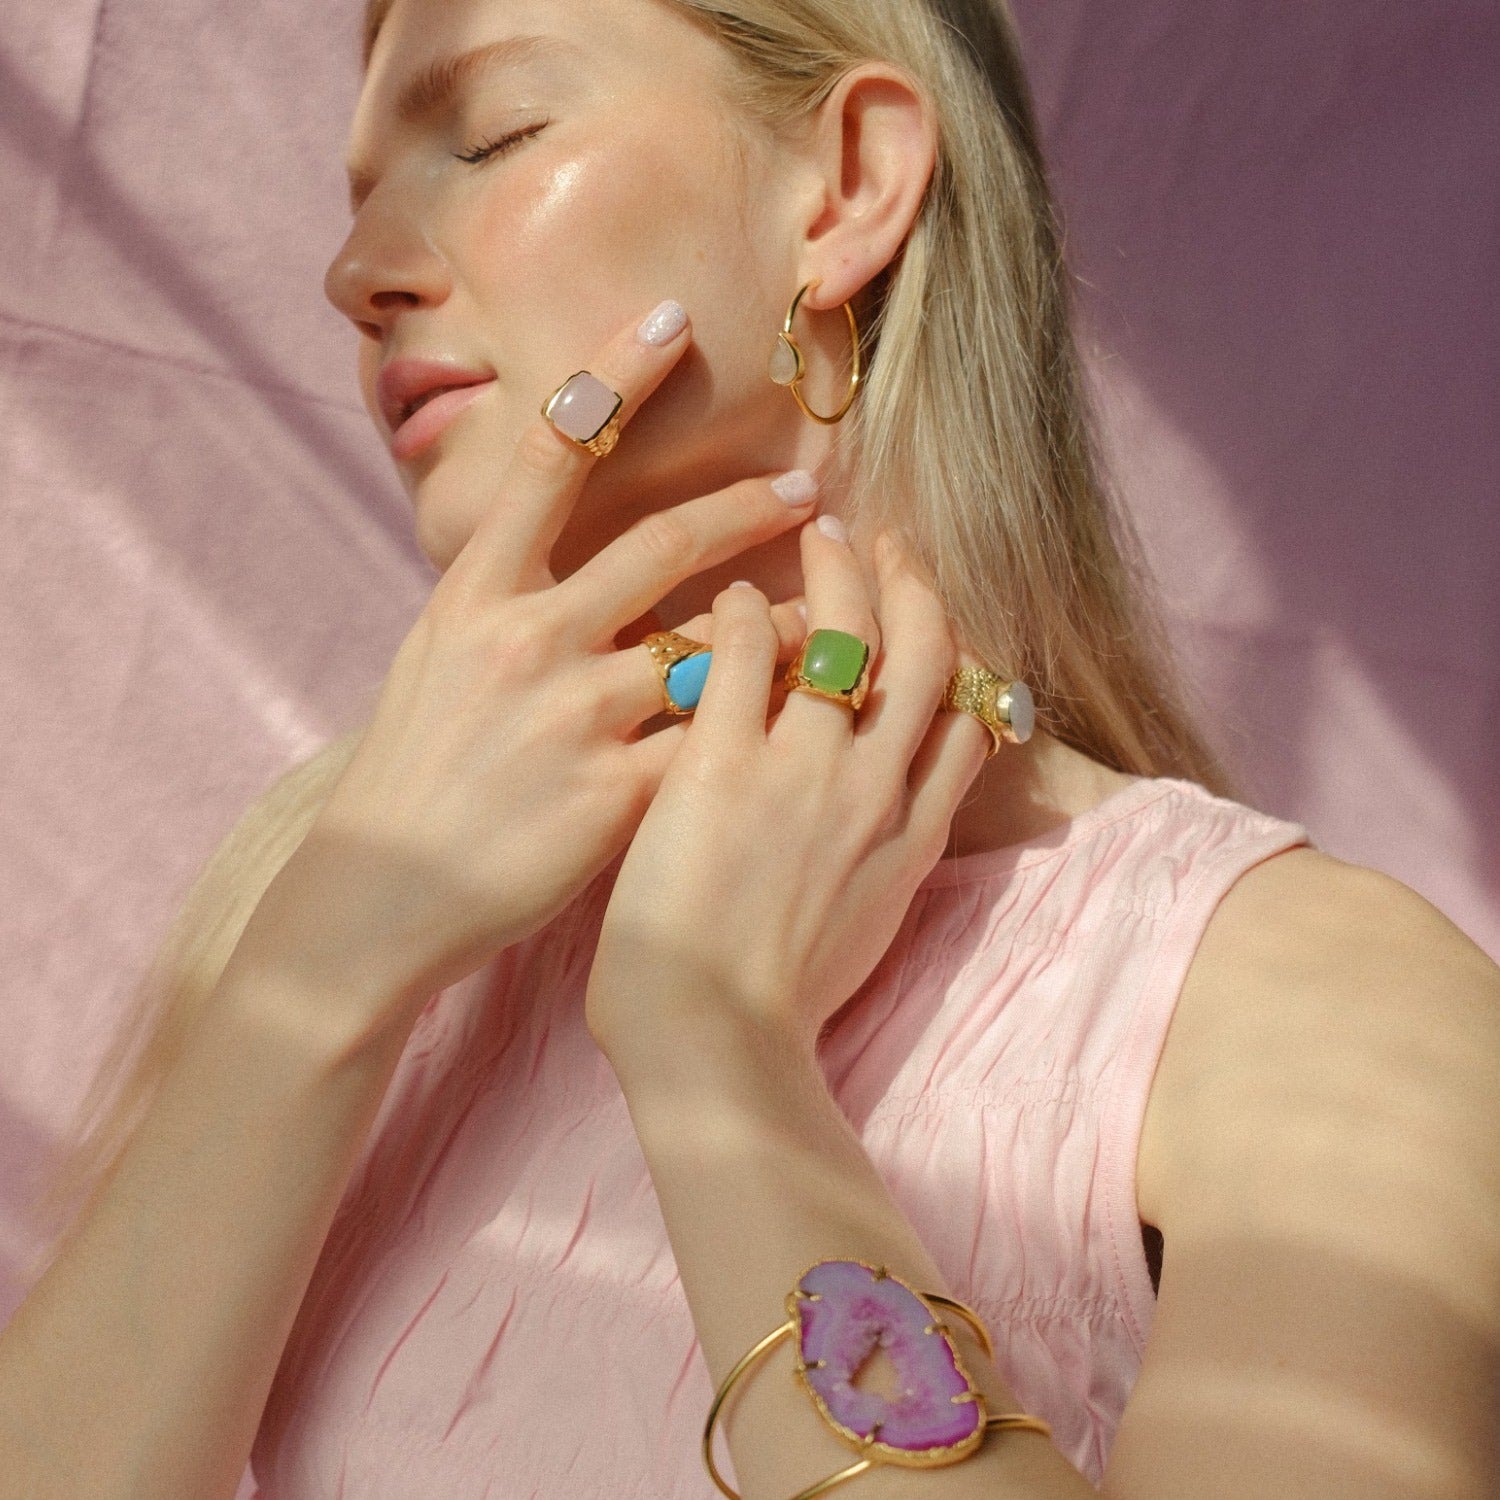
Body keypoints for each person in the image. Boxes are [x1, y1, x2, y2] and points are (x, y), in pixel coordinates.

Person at [3, 0, 1497, 1496]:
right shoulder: (338, 917)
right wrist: (322, 962)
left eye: (493, 135)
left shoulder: (1303, 1000)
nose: (353, 274)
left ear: (847, 187)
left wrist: (714, 1039)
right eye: (357, 194)